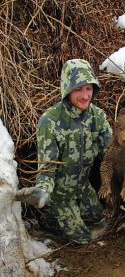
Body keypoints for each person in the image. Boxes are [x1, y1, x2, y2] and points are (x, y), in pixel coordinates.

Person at [16, 59, 112, 245]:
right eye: (78, 89)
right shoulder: (49, 121)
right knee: (83, 239)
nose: (85, 96)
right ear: (67, 89)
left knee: (98, 218)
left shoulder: (97, 116)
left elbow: (110, 153)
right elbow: (47, 169)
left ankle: (53, 218)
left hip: (83, 186)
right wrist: (43, 191)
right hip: (61, 193)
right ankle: (49, 219)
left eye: (88, 88)